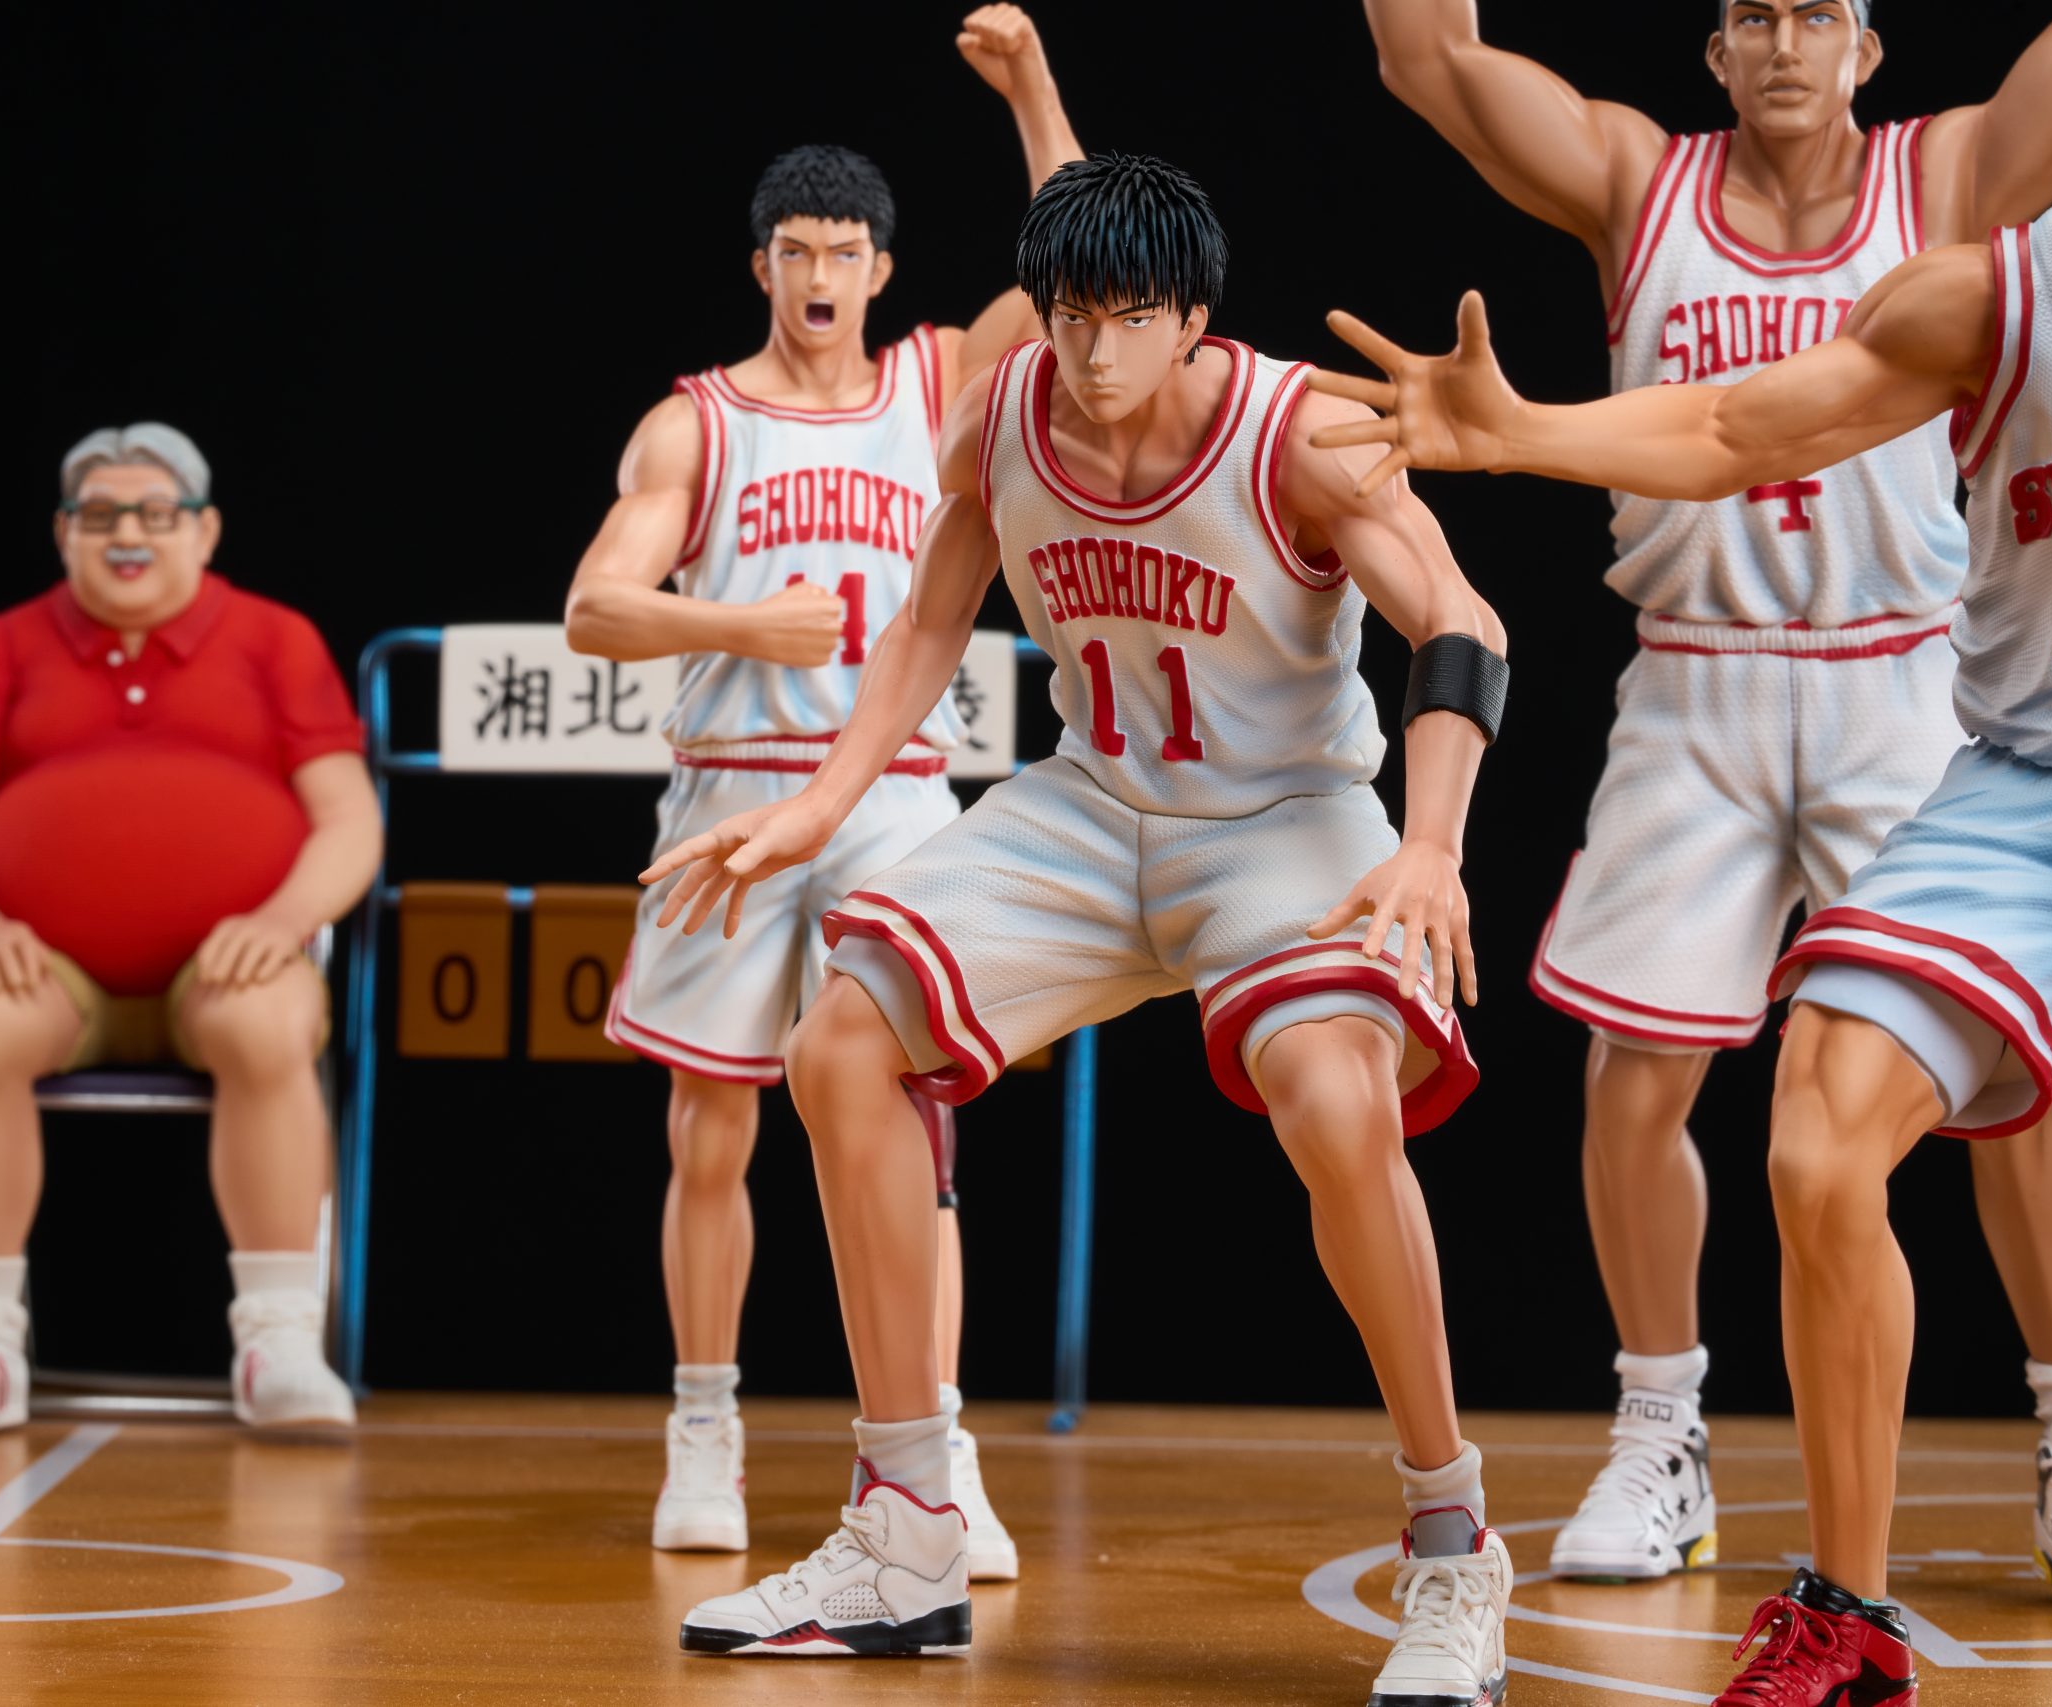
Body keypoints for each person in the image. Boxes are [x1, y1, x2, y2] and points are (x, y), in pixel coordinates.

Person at [644, 152, 1514, 1705]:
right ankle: (907, 1515)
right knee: (838, 1041)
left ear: (1192, 318)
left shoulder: (1297, 430)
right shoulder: (1001, 414)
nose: (1092, 354)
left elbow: (1463, 623)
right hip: (1092, 805)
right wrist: (818, 805)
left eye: (1125, 318)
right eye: (1065, 316)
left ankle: (1452, 1540)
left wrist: (1435, 846)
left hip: (1284, 823)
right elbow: (926, 618)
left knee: (1335, 1097)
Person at [1308, 121, 2052, 1697]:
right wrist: (1523, 431)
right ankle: (1848, 1614)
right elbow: (1745, 425)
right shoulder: (1994, 300)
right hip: (2043, 788)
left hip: (1903, 704)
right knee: (1813, 1124)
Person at [564, 3, 1080, 1574]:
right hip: (736, 788)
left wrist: (1034, 89)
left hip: (894, 791)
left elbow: (1074, 274)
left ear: (879, 268)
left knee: (920, 1127)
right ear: (762, 265)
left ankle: (941, 1441)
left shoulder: (931, 387)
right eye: (794, 246)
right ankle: (704, 1418)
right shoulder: (695, 421)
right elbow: (595, 606)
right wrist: (739, 623)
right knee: (711, 1123)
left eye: (842, 246)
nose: (817, 272)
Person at [0, 423, 381, 1434]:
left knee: (265, 1026)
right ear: (62, 532)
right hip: (52, 973)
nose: (128, 534)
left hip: (226, 963)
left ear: (204, 532)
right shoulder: (7, 644)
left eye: (155, 513)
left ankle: (280, 1341)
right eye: (100, 512)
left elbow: (347, 815)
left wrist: (285, 916)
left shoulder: (274, 639)